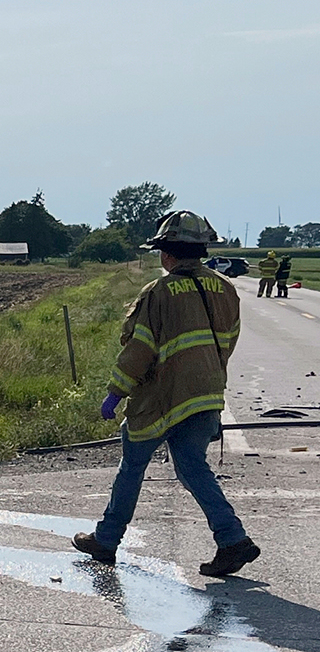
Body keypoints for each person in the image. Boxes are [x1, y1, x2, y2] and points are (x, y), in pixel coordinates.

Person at [73, 211, 259, 578]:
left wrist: (116, 392)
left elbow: (139, 348)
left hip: (162, 397)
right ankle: (233, 539)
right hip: (206, 394)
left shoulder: (158, 291)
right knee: (193, 468)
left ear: (166, 254)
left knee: (132, 467)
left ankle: (107, 540)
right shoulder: (226, 288)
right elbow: (228, 342)